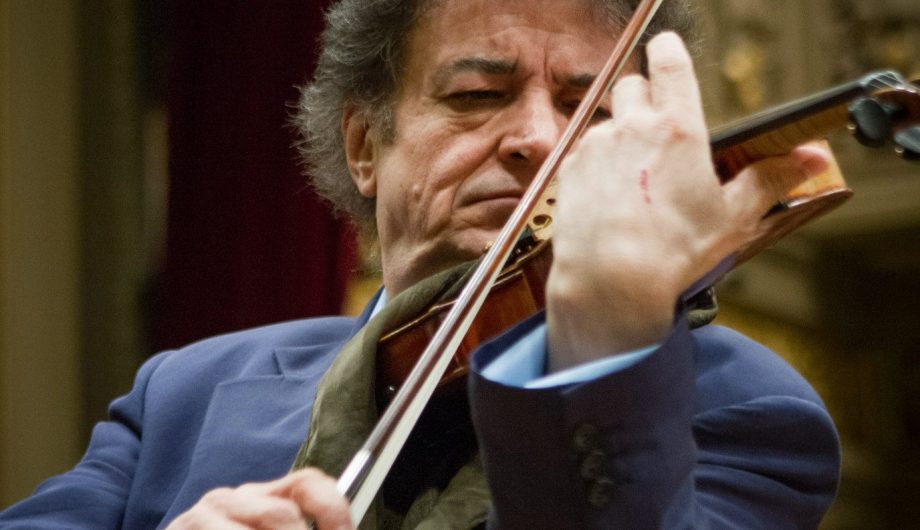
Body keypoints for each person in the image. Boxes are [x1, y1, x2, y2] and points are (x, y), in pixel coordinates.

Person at [0, 0, 840, 528]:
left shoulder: (749, 412)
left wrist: (604, 337)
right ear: (366, 145)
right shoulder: (179, 396)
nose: (539, 139)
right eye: (478, 95)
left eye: (589, 108)